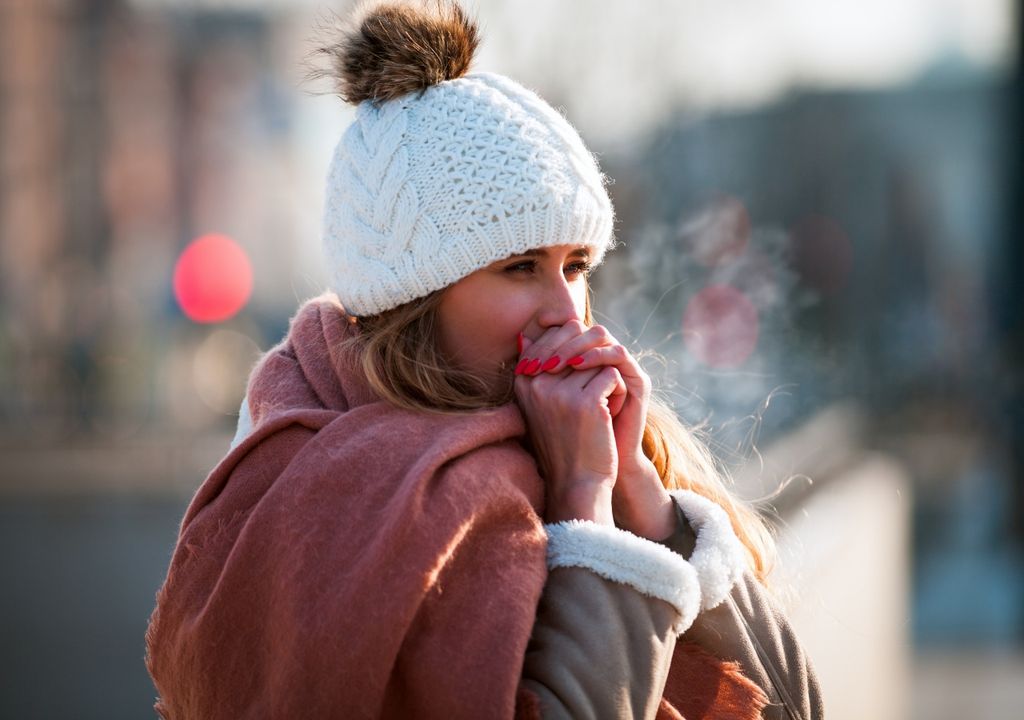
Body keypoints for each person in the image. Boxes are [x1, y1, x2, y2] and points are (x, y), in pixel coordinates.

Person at [145, 2, 824, 718]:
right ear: (416, 301)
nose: (566, 309)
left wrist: (646, 504)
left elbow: (796, 707)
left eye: (577, 264)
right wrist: (584, 511)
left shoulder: (605, 442)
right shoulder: (327, 484)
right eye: (522, 266)